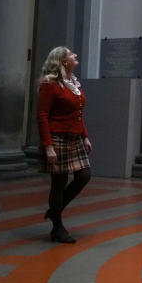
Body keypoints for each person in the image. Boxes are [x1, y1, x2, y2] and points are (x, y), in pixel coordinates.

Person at [37, 46, 92, 244]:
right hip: (57, 137)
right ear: (62, 61)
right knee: (58, 182)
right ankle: (57, 227)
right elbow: (42, 116)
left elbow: (78, 113)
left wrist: (85, 136)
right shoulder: (50, 84)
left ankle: (54, 211)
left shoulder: (73, 83)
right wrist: (48, 145)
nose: (75, 55)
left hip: (75, 137)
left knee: (84, 175)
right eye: (70, 54)